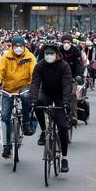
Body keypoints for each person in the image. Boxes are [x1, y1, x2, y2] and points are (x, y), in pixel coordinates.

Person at [29, 39, 72, 171]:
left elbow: (67, 85)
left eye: (51, 53)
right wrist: (33, 100)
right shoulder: (40, 65)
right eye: (46, 53)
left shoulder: (64, 66)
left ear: (57, 54)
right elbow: (35, 83)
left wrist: (66, 102)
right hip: (46, 93)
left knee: (63, 127)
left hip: (60, 96)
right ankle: (43, 130)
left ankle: (64, 158)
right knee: (37, 104)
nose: (49, 56)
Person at [0, 35, 36, 160]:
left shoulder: (30, 57)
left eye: (21, 46)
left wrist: (34, 85)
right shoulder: (5, 56)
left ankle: (27, 122)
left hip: (24, 87)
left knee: (26, 97)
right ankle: (7, 146)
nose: (18, 48)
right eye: (16, 46)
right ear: (12, 46)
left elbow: (34, 72)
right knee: (5, 117)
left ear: (24, 46)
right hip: (8, 90)